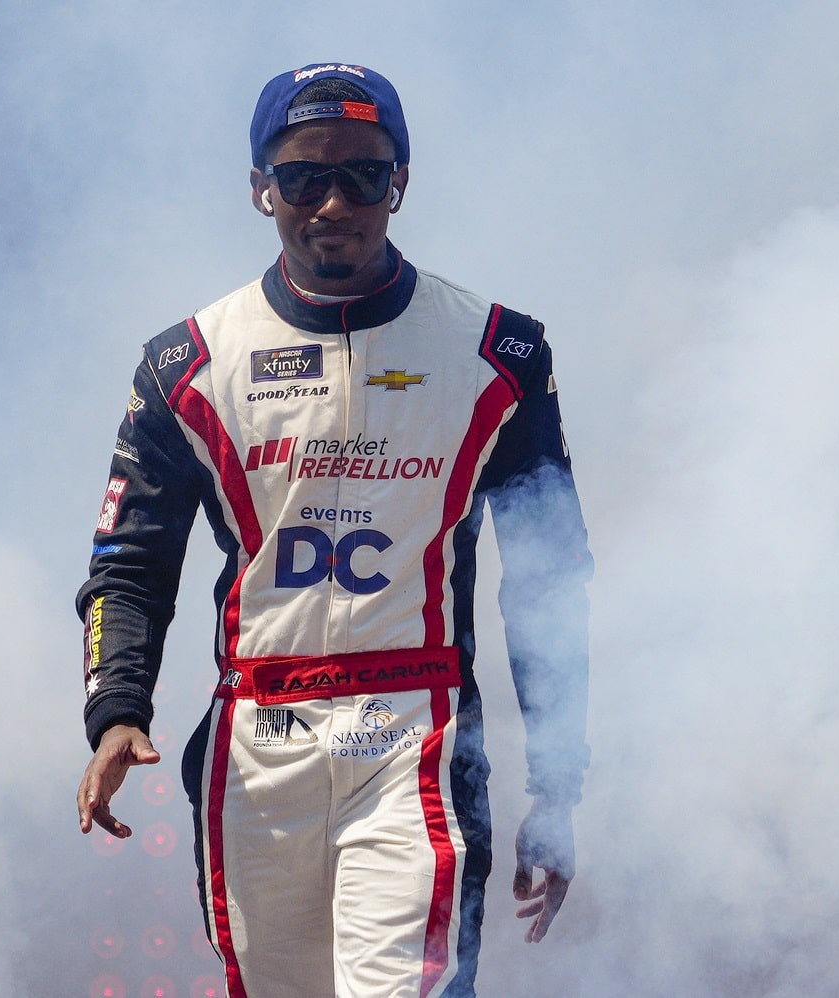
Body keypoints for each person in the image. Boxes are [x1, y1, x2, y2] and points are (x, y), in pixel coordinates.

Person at [76, 62, 593, 997]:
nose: (333, 201)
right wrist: (117, 710)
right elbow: (128, 560)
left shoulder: (501, 354)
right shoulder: (186, 366)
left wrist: (558, 785)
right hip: (254, 744)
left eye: (364, 173)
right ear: (260, 189)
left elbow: (551, 581)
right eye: (304, 176)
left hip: (414, 733)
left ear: (400, 182)